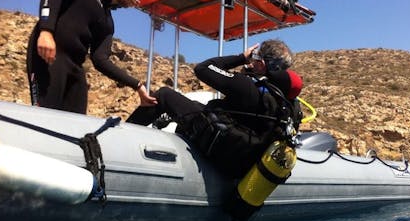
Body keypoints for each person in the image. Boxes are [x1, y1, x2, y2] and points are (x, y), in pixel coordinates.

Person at [127, 39, 303, 178]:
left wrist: (241, 57)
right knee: (197, 106)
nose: (252, 60)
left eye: (256, 57)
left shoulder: (245, 86)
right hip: (242, 161)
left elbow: (202, 68)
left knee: (164, 94)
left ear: (262, 64)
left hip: (219, 150)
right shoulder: (287, 104)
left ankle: (122, 135)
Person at [26, 0, 156, 114]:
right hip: (47, 56)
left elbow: (100, 60)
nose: (137, 1)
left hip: (75, 67)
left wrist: (137, 85)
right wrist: (46, 31)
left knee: (76, 126)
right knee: (43, 119)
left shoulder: (108, 23)